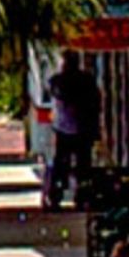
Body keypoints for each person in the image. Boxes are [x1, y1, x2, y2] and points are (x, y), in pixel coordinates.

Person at [47, 61, 101, 207]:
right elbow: (96, 103)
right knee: (81, 164)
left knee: (63, 163)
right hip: (80, 128)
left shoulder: (59, 81)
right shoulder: (85, 81)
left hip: (66, 128)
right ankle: (78, 193)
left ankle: (59, 192)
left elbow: (53, 92)